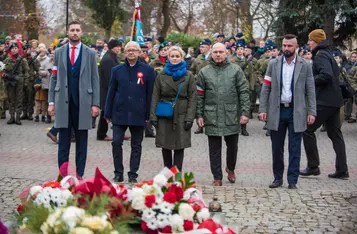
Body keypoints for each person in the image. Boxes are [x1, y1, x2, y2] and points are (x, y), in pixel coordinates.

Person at [259, 34, 316, 189]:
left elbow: (310, 90)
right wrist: (263, 108)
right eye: (284, 45)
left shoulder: (305, 65)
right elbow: (266, 87)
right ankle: (277, 178)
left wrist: (312, 111)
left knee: (294, 148)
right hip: (277, 111)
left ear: (296, 47)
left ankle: (292, 180)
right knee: (276, 148)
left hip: (296, 111)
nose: (286, 48)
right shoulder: (273, 64)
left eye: (289, 46)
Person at [48, 21, 100, 179]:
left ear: (81, 33)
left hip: (83, 103)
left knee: (82, 142)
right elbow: (54, 78)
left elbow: (95, 79)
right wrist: (51, 102)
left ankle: (79, 176)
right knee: (63, 143)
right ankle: (63, 177)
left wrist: (95, 103)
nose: (75, 33)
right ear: (67, 32)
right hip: (63, 102)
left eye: (78, 30)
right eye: (72, 30)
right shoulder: (59, 52)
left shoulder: (90, 53)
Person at [196, 43, 250, 186]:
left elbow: (243, 92)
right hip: (211, 114)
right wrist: (199, 115)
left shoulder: (235, 70)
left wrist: (245, 112)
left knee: (232, 146)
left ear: (226, 53)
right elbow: (199, 96)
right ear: (211, 53)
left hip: (231, 113)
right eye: (215, 52)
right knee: (214, 148)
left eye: (221, 52)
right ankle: (217, 176)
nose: (218, 55)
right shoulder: (204, 72)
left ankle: (230, 168)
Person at [300, 29, 349, 179]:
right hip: (335, 100)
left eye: (310, 40)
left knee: (307, 129)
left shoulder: (320, 55)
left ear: (316, 41)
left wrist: (309, 82)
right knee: (335, 135)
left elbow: (326, 75)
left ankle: (313, 166)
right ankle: (342, 170)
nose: (308, 42)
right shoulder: (327, 53)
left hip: (325, 100)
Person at [104, 41, 155, 183]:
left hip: (139, 113)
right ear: (124, 53)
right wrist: (107, 112)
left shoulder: (148, 70)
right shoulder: (117, 70)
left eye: (134, 50)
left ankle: (133, 174)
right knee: (116, 142)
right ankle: (118, 173)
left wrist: (149, 115)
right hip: (119, 112)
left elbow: (150, 94)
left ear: (140, 52)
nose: (131, 52)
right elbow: (111, 91)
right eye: (128, 50)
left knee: (136, 145)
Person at [150, 46, 196, 171]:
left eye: (177, 56)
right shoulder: (161, 74)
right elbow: (155, 96)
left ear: (182, 57)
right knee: (165, 145)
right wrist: (152, 116)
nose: (174, 58)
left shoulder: (188, 75)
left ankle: (177, 174)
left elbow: (192, 98)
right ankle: (167, 172)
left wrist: (190, 118)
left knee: (179, 145)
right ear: (168, 57)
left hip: (182, 113)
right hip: (165, 114)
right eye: (172, 56)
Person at [97, 39, 123, 142]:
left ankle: (118, 132)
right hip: (106, 90)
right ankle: (101, 134)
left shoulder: (112, 57)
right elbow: (109, 77)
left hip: (108, 89)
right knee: (105, 112)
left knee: (108, 111)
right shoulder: (108, 59)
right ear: (112, 47)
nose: (119, 49)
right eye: (117, 47)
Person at [3, 42, 29, 125]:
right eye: (12, 49)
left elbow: (26, 72)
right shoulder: (7, 60)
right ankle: (11, 117)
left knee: (19, 99)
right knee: (11, 100)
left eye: (15, 48)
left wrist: (25, 83)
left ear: (18, 49)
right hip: (10, 82)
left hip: (19, 82)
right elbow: (3, 70)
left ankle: (18, 117)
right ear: (10, 50)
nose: (14, 50)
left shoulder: (23, 60)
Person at [190, 39, 212, 134]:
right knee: (199, 105)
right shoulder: (197, 59)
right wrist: (195, 77)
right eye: (200, 46)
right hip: (199, 85)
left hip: (211, 85)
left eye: (203, 47)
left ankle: (210, 124)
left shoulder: (213, 57)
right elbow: (192, 71)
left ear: (209, 47)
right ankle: (200, 126)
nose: (201, 48)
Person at [22, 44, 40, 121]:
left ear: (31, 50)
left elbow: (38, 70)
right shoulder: (21, 59)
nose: (26, 50)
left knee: (30, 98)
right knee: (23, 98)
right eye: (25, 49)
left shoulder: (34, 59)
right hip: (22, 80)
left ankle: (30, 114)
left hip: (30, 81)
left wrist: (35, 80)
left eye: (28, 49)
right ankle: (24, 113)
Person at [35, 45, 51, 123]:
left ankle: (44, 115)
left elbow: (48, 71)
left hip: (45, 81)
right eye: (40, 51)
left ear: (45, 51)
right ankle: (37, 115)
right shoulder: (36, 59)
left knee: (44, 100)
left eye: (42, 51)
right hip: (37, 81)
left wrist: (39, 72)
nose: (41, 52)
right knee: (37, 99)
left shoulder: (48, 60)